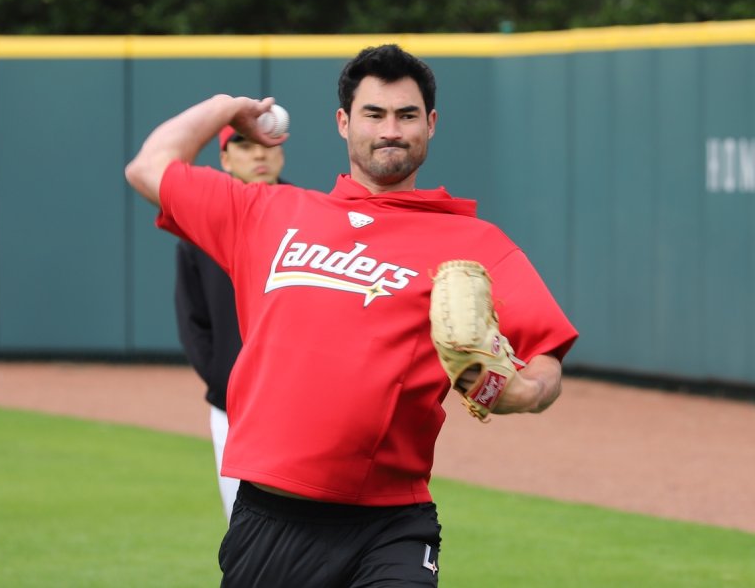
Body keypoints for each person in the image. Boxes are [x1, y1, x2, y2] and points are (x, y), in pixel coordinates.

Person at [126, 44, 578, 588]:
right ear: (343, 123)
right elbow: (148, 167)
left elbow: (545, 360)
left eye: (407, 115)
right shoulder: (266, 212)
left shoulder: (475, 244)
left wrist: (521, 392)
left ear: (431, 125)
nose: (391, 130)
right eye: (374, 114)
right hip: (271, 520)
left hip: (391, 524)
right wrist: (227, 107)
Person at [174, 126, 287, 523]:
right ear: (224, 159)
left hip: (298, 405)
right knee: (242, 527)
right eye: (245, 146)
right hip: (232, 409)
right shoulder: (201, 225)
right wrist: (225, 383)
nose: (258, 155)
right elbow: (193, 320)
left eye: (266, 146)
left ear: (281, 154)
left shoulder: (314, 219)